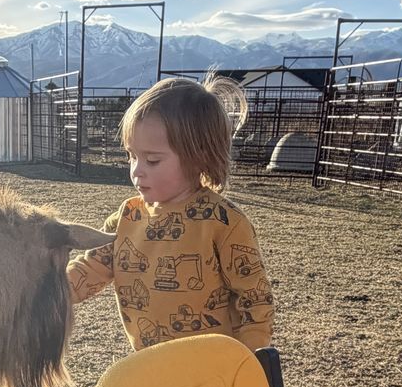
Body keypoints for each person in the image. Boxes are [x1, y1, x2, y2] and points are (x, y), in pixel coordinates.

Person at [67, 75, 274, 352]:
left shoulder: (224, 223)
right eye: (132, 155)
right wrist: (43, 294)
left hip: (214, 369)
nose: (137, 170)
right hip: (152, 365)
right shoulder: (128, 217)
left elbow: (254, 299)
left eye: (152, 160)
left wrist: (249, 360)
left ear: (198, 155)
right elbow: (90, 269)